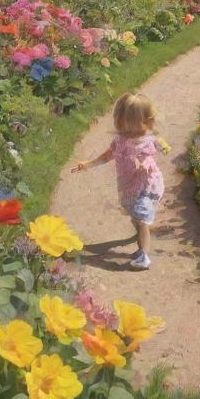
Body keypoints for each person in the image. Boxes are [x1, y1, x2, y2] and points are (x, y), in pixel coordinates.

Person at [72, 93, 165, 270]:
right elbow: (107, 156)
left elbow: (151, 152)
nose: (151, 123)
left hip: (147, 184)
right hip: (129, 186)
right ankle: (140, 238)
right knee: (135, 217)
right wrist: (88, 164)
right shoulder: (120, 141)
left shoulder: (147, 140)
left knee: (142, 218)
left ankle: (144, 255)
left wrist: (144, 161)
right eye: (147, 120)